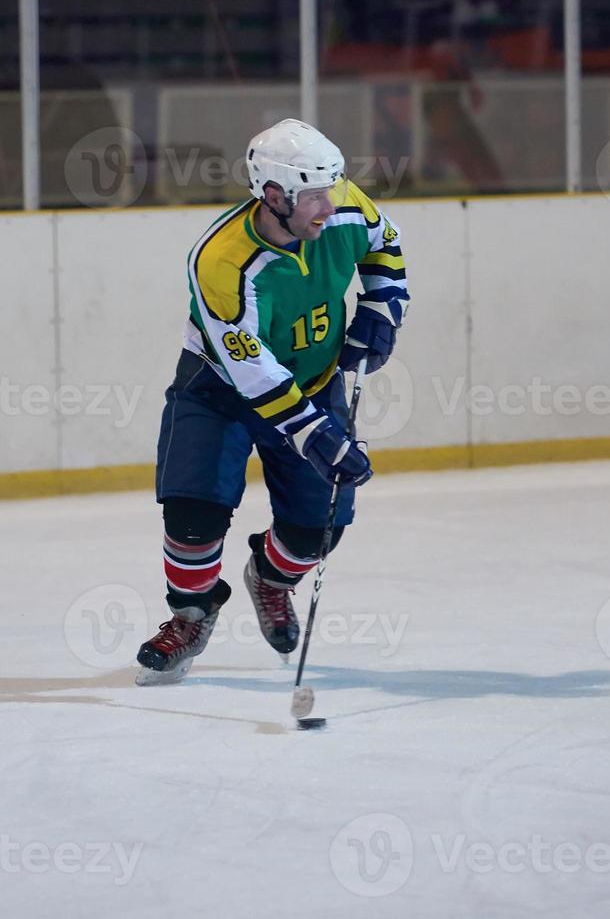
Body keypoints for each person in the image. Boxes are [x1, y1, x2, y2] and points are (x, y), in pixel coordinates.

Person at [135, 118, 410, 684]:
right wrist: (316, 434)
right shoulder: (221, 260)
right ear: (274, 194)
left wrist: (383, 308)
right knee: (193, 517)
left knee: (318, 533)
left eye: (333, 188)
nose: (329, 206)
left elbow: (386, 245)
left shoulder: (341, 206)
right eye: (314, 195)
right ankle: (191, 614)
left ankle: (271, 579)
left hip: (312, 385)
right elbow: (250, 367)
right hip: (220, 393)